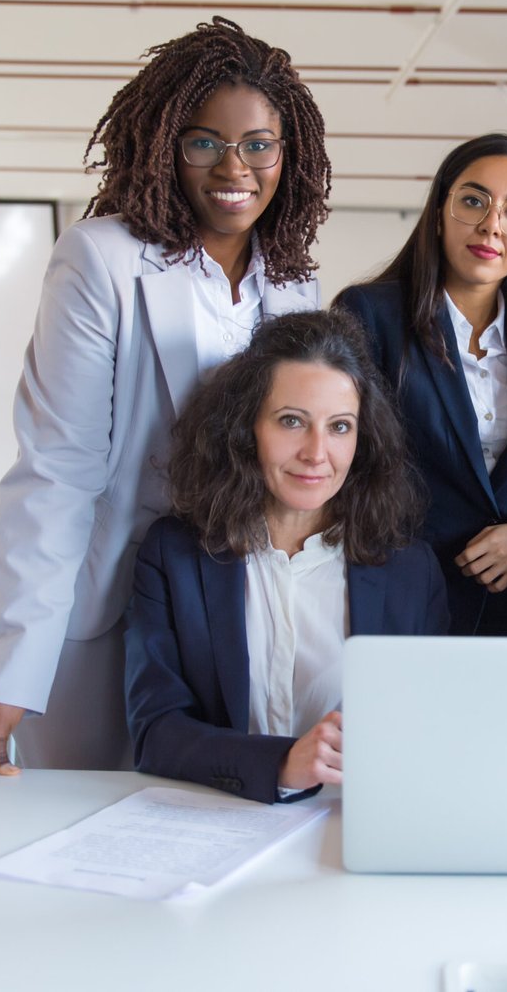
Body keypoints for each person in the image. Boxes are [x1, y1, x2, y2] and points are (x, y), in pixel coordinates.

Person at [0, 17, 331, 776]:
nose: (236, 166)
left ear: (287, 154)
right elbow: (60, 468)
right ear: (162, 144)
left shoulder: (292, 284)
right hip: (102, 599)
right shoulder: (100, 259)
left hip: (229, 603)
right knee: (78, 822)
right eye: (204, 141)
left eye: (259, 144)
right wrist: (14, 669)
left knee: (210, 815)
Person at [124, 311, 448, 803]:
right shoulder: (173, 555)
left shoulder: (410, 570)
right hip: (217, 819)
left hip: (355, 824)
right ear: (245, 428)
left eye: (340, 427)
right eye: (292, 421)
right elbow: (155, 732)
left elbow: (431, 730)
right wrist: (280, 764)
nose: (317, 452)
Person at [335, 135, 507, 635]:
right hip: (403, 595)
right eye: (473, 201)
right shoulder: (369, 315)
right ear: (440, 210)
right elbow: (348, 467)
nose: (491, 224)